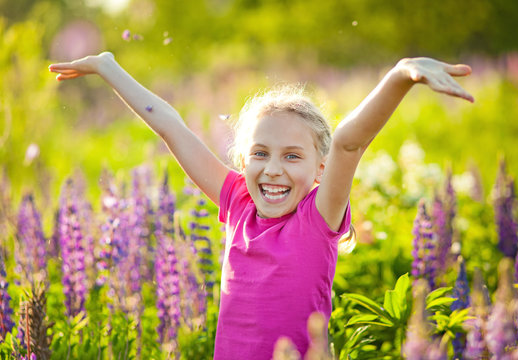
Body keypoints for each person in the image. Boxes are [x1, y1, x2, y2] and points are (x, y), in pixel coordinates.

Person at [49, 52, 473, 359]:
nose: (272, 170)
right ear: (243, 159)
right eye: (260, 153)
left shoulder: (317, 219)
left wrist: (402, 75)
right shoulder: (237, 202)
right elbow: (170, 126)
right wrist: (108, 67)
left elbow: (349, 141)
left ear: (320, 170)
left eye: (292, 156)